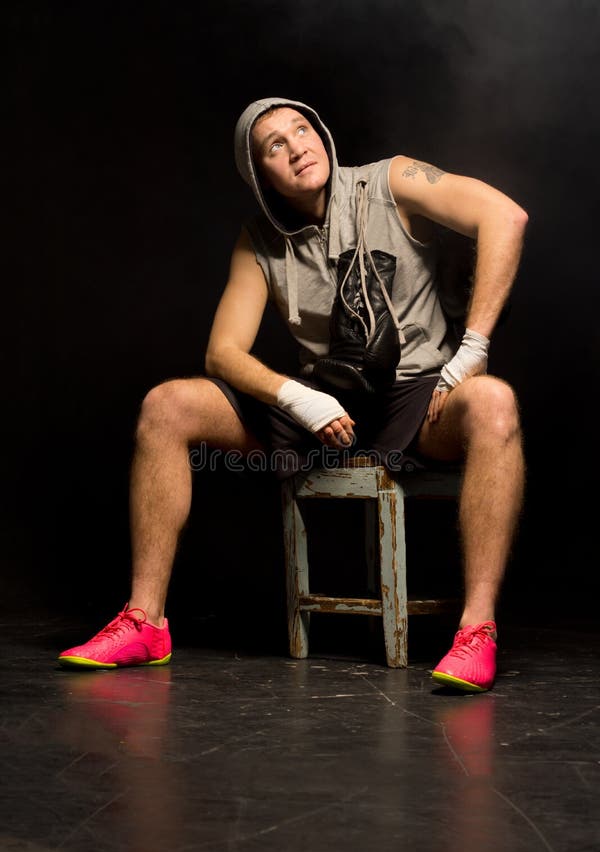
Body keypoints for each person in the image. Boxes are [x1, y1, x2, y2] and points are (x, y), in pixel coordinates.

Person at [58, 96, 527, 692]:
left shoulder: (392, 179)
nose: (297, 147)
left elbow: (504, 217)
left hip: (422, 396)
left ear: (322, 135)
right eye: (274, 146)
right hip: (325, 408)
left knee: (495, 404)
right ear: (261, 174)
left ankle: (476, 631)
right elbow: (222, 352)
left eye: (301, 130)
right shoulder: (258, 241)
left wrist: (474, 347)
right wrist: (296, 397)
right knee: (166, 405)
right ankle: (145, 622)